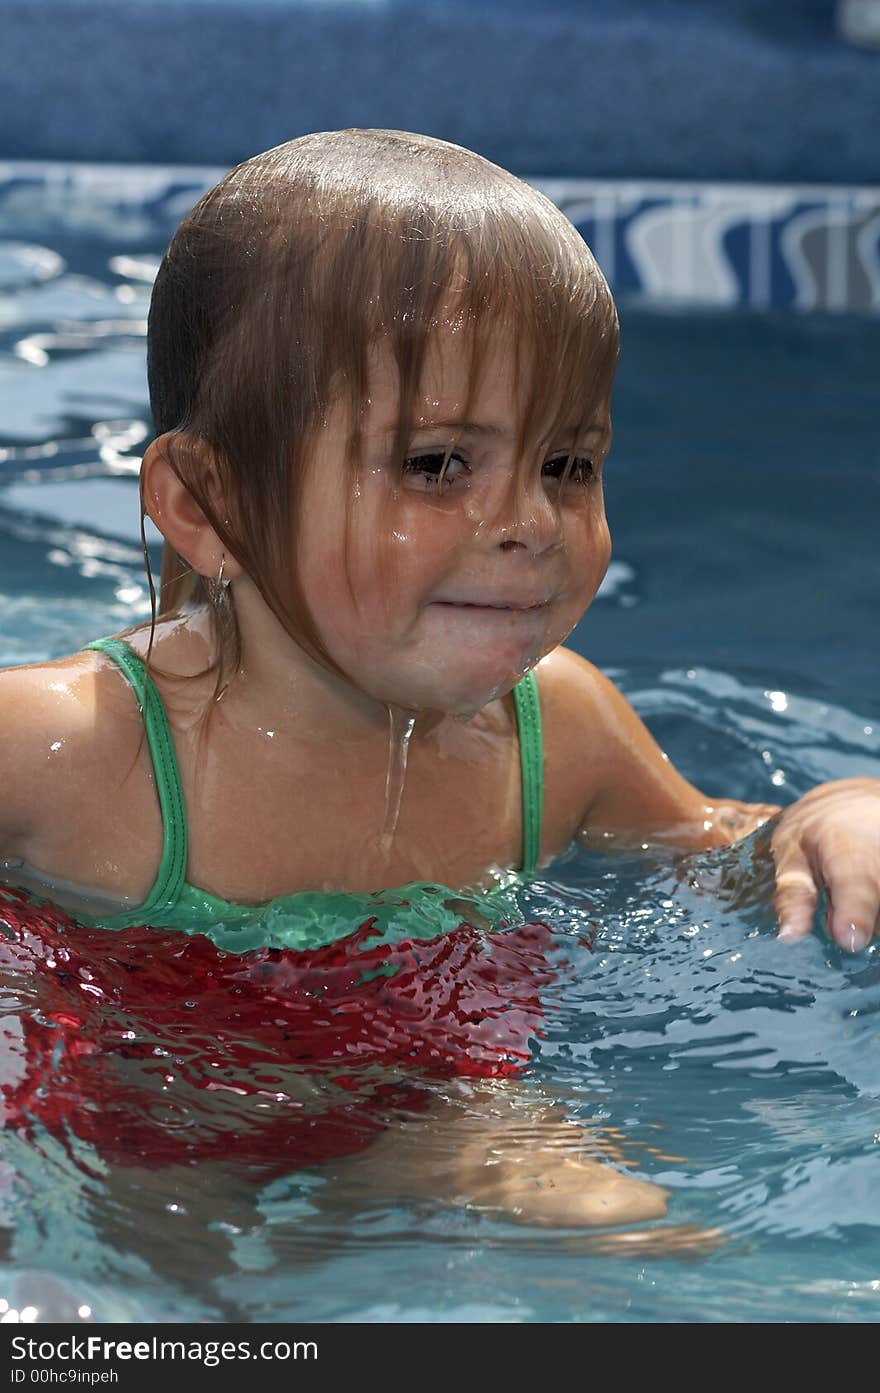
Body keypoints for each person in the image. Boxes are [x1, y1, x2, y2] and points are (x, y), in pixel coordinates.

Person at [0, 130, 877, 1233]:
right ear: (205, 506)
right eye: (437, 464)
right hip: (120, 1130)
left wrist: (830, 813)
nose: (526, 524)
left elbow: (721, 857)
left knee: (618, 1224)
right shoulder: (68, 747)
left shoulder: (555, 726)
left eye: (568, 465)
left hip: (426, 1110)